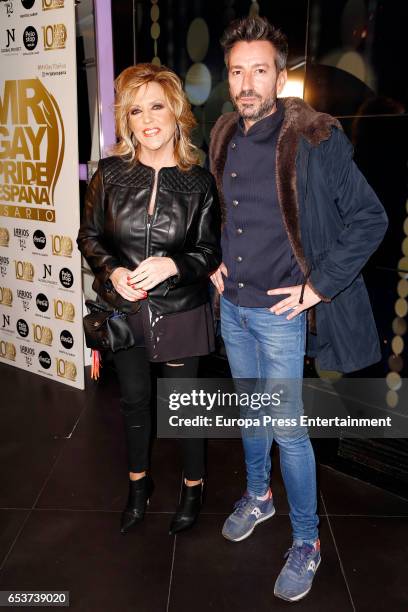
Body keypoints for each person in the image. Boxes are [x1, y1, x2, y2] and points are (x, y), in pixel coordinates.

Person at [209, 16, 388, 602]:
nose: (247, 83)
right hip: (232, 307)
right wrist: (215, 259)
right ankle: (259, 497)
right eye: (237, 71)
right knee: (251, 413)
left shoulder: (315, 136)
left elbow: (370, 218)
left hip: (281, 316)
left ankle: (307, 540)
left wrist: (318, 289)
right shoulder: (223, 134)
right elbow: (226, 210)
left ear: (280, 77)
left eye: (260, 70)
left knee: (288, 430)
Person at [77, 63, 221, 536]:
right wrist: (113, 271)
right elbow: (90, 236)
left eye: (157, 105)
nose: (147, 119)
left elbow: (207, 251)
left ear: (176, 111)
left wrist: (173, 265)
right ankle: (139, 487)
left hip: (180, 311)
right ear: (126, 119)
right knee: (135, 402)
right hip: (125, 310)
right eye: (136, 110)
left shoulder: (198, 182)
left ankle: (193, 487)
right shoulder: (110, 173)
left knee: (185, 406)